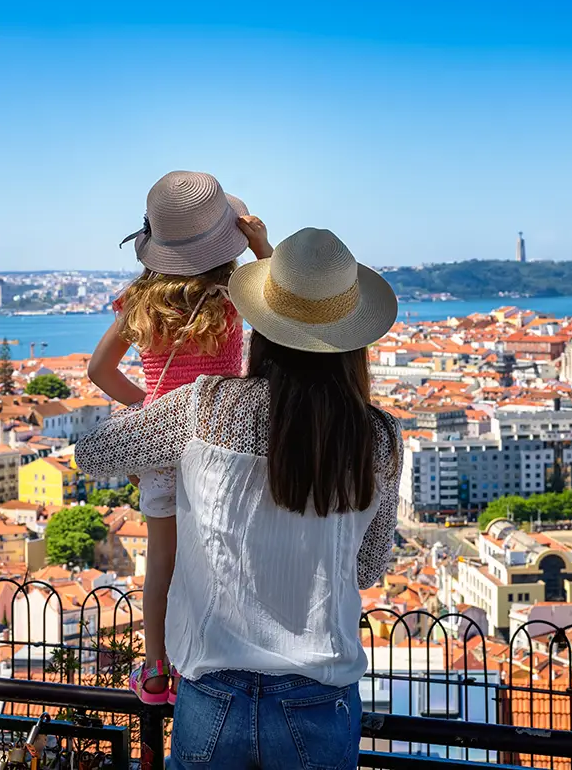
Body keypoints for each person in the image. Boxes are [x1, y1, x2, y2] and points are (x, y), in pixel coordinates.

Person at [76, 227, 402, 768]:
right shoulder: (379, 438)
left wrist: (169, 465)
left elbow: (95, 454)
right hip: (319, 695)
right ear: (353, 340)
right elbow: (367, 568)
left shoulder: (204, 407)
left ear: (262, 331)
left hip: (212, 692)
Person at [86, 170, 273, 705]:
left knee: (161, 561)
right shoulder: (233, 296)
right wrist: (263, 248)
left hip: (161, 444)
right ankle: (219, 655)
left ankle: (154, 669)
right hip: (220, 439)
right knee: (222, 552)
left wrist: (150, 408)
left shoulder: (140, 303)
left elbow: (100, 370)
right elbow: (289, 308)